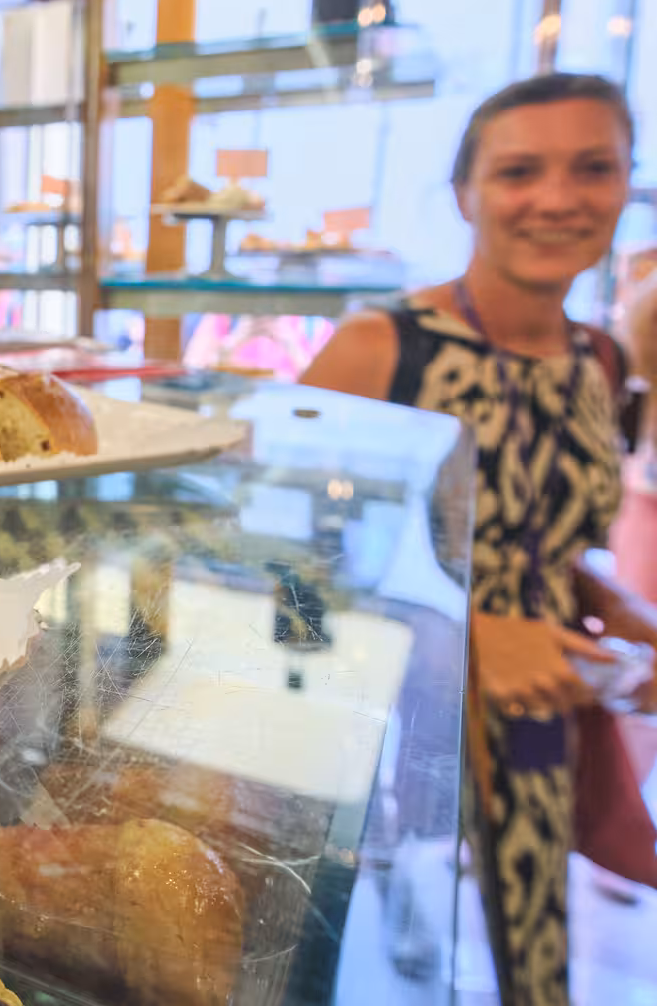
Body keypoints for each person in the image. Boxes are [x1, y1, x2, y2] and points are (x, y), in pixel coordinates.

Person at [301, 73, 657, 1006]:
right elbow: (279, 567)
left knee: (536, 960)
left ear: (626, 184)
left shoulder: (600, 358)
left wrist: (607, 598)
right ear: (466, 192)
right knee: (341, 960)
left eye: (593, 168)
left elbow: (542, 534)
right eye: (518, 171)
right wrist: (453, 634)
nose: (556, 198)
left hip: (538, 716)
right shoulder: (383, 348)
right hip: (375, 737)